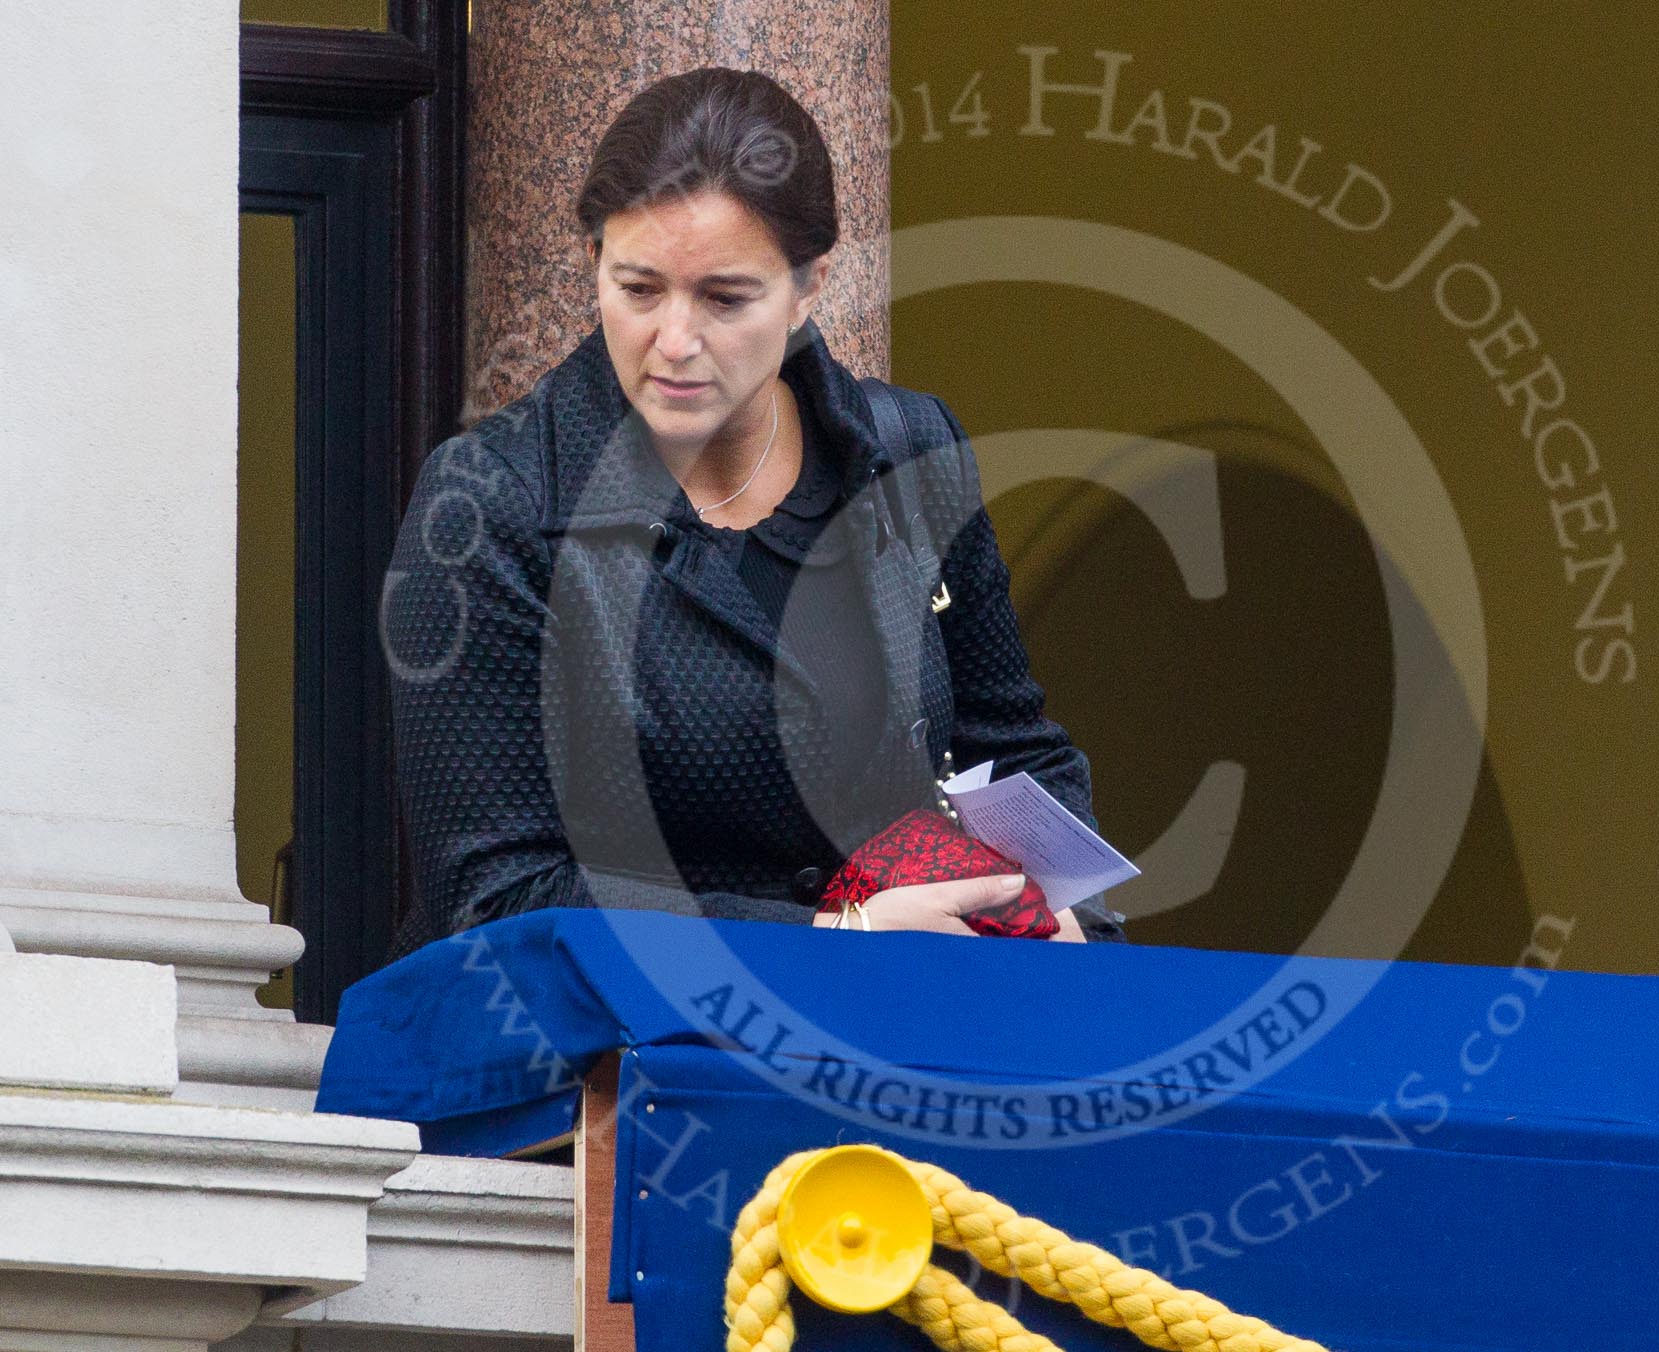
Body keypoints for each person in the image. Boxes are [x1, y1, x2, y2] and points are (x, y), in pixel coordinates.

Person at [380, 67, 1124, 958]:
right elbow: (495, 897)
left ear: (810, 287)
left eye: (725, 298)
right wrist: (830, 937)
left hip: (894, 1050)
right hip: (609, 1064)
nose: (676, 341)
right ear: (593, 266)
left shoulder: (908, 451)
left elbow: (1008, 746)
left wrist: (1062, 913)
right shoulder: (492, 503)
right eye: (639, 288)